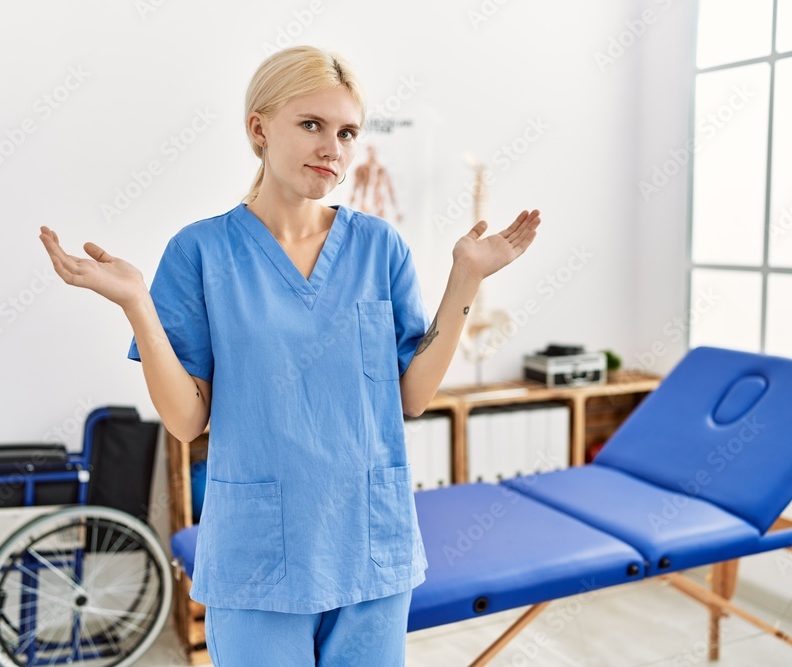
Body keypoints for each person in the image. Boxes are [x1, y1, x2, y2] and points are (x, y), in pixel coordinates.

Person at [38, 45, 540, 666]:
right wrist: (137, 304)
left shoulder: (380, 247)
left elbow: (412, 396)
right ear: (259, 128)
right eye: (312, 125)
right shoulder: (200, 253)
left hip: (369, 547)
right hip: (258, 559)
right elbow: (187, 420)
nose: (333, 148)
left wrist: (465, 281)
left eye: (348, 132)